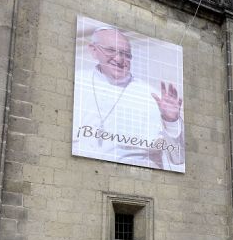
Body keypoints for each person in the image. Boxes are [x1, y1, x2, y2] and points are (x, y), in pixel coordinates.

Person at [73, 25, 184, 171]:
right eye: (111, 50)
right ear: (93, 50)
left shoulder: (151, 96)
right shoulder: (77, 81)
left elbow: (178, 158)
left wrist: (171, 121)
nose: (119, 59)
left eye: (126, 54)